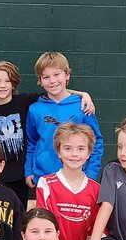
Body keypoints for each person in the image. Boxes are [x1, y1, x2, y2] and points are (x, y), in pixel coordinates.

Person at [0, 61, 96, 205]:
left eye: (7, 81)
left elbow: (56, 91)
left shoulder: (26, 101)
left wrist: (83, 94)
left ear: (13, 84)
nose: (2, 85)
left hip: (19, 174)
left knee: (19, 212)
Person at [34, 123, 102, 240]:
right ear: (58, 152)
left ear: (88, 153)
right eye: (68, 148)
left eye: (81, 149)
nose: (74, 154)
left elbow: (95, 229)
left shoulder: (95, 189)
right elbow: (43, 225)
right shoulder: (46, 183)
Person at [24, 52, 103, 184]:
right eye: (46, 77)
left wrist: (91, 173)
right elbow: (32, 142)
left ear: (67, 75)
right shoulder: (35, 109)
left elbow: (96, 141)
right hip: (44, 177)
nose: (53, 81)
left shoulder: (83, 106)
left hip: (77, 177)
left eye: (57, 74)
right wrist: (29, 170)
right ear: (40, 81)